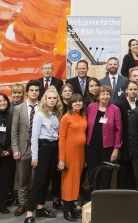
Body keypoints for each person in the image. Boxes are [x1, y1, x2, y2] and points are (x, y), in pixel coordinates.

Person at [24, 88, 62, 223]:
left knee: (47, 181)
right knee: (38, 183)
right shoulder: (39, 115)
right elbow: (34, 137)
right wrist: (34, 157)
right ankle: (29, 214)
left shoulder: (57, 114)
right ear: (45, 100)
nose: (52, 100)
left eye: (54, 98)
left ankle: (40, 208)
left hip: (53, 150)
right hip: (42, 150)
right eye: (49, 98)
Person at [85, 85, 122, 195]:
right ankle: (93, 201)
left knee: (106, 176)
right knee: (93, 176)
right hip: (91, 148)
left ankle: (104, 202)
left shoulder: (115, 109)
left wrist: (116, 149)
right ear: (98, 96)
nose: (105, 96)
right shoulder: (91, 107)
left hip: (107, 149)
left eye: (108, 94)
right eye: (103, 94)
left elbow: (119, 130)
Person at [11, 80, 40, 217]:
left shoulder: (43, 107)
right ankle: (22, 203)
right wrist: (15, 148)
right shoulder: (19, 108)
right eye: (32, 90)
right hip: (22, 149)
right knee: (22, 178)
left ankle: (32, 202)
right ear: (27, 92)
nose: (34, 92)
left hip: (38, 149)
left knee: (35, 178)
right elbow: (14, 130)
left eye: (36, 90)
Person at [58, 93, 86, 222]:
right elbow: (62, 139)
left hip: (80, 154)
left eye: (80, 101)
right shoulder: (66, 117)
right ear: (71, 103)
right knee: (68, 181)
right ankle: (66, 209)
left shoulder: (83, 116)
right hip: (69, 154)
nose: (78, 103)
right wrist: (62, 159)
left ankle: (72, 207)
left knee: (76, 181)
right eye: (75, 101)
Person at [115, 80, 138, 190]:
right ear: (126, 90)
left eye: (135, 89)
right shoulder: (120, 105)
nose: (133, 91)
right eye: (131, 89)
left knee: (134, 173)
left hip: (137, 143)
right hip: (124, 144)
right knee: (123, 173)